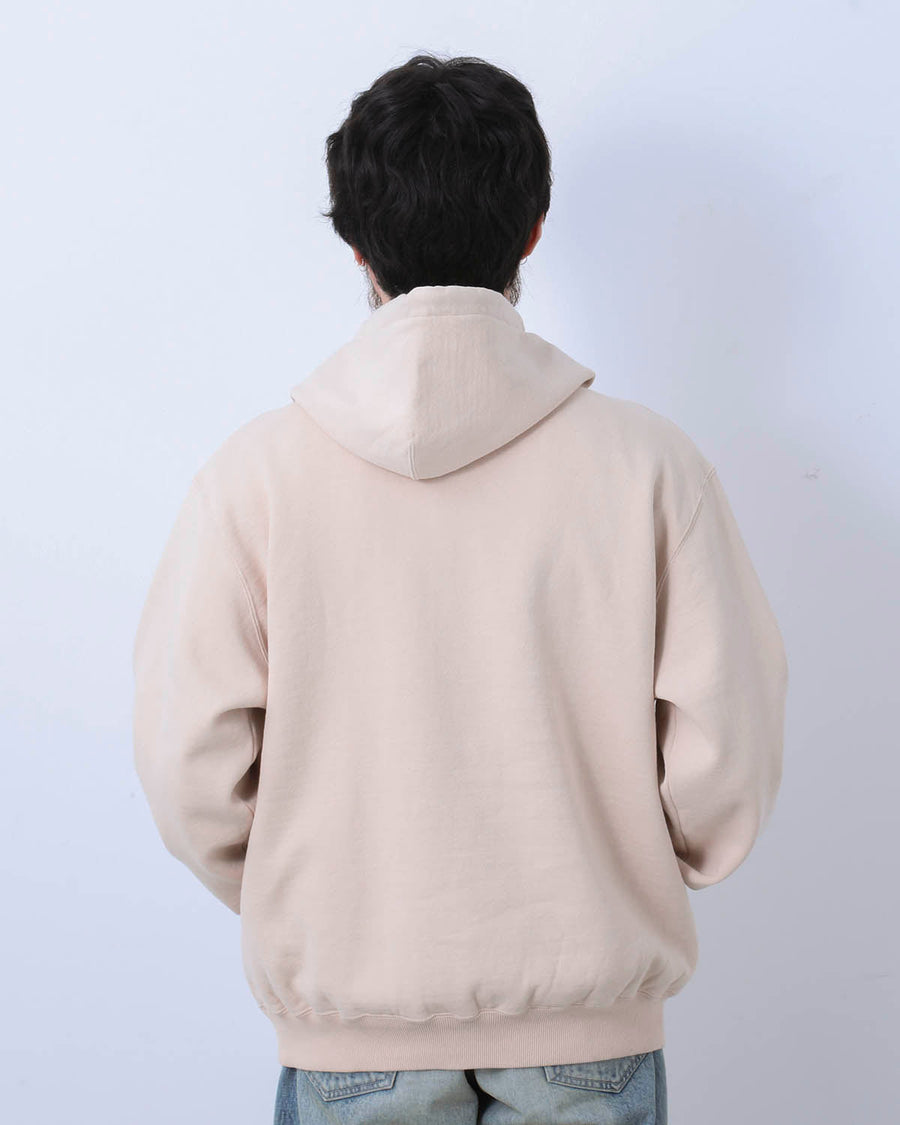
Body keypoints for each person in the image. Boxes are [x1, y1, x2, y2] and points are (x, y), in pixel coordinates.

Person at [131, 52, 788, 1125]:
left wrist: (311, 890)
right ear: (532, 229)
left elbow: (186, 765)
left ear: (354, 242)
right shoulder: (650, 468)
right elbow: (730, 745)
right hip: (590, 1029)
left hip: (353, 1034)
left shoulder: (254, 481)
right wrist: (624, 863)